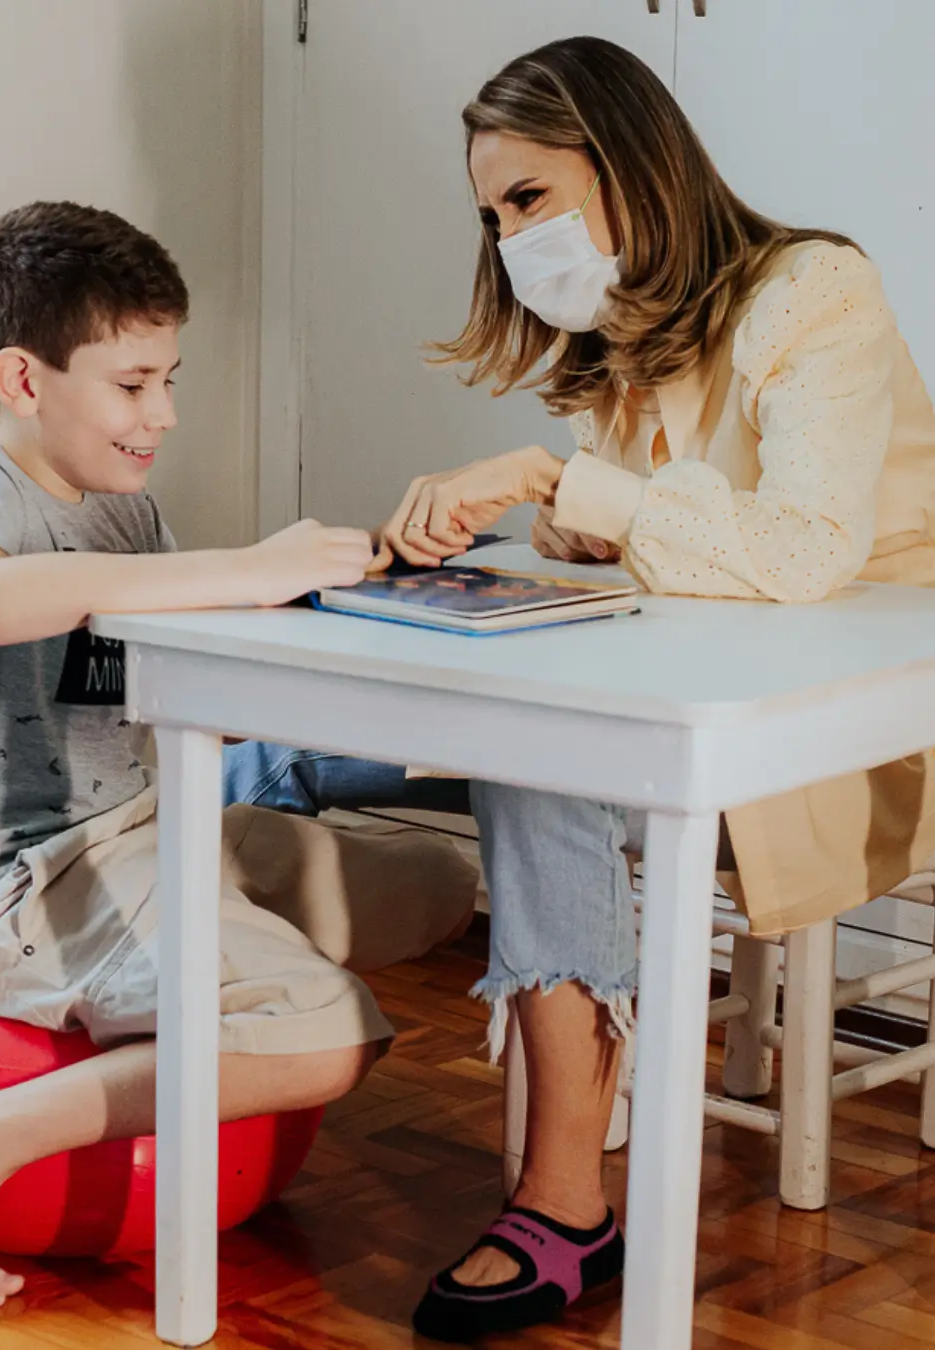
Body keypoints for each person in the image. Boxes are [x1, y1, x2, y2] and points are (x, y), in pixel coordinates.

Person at [364, 34, 935, 1342]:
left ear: (627, 166)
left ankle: (566, 1202)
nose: (510, 239)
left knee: (544, 757)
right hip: (706, 691)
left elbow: (799, 553)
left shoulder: (815, 291)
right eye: (492, 214)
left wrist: (558, 484)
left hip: (848, 722)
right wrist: (558, 521)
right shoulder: (625, 338)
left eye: (528, 199)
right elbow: (663, 531)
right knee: (387, 738)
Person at [0, 201, 479, 1319]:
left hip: (134, 828)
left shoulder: (122, 515)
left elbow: (166, 680)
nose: (167, 415)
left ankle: (219, 996)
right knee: (328, 1032)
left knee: (443, 884)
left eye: (170, 379)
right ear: (23, 378)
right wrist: (242, 564)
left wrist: (362, 591)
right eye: (135, 385)